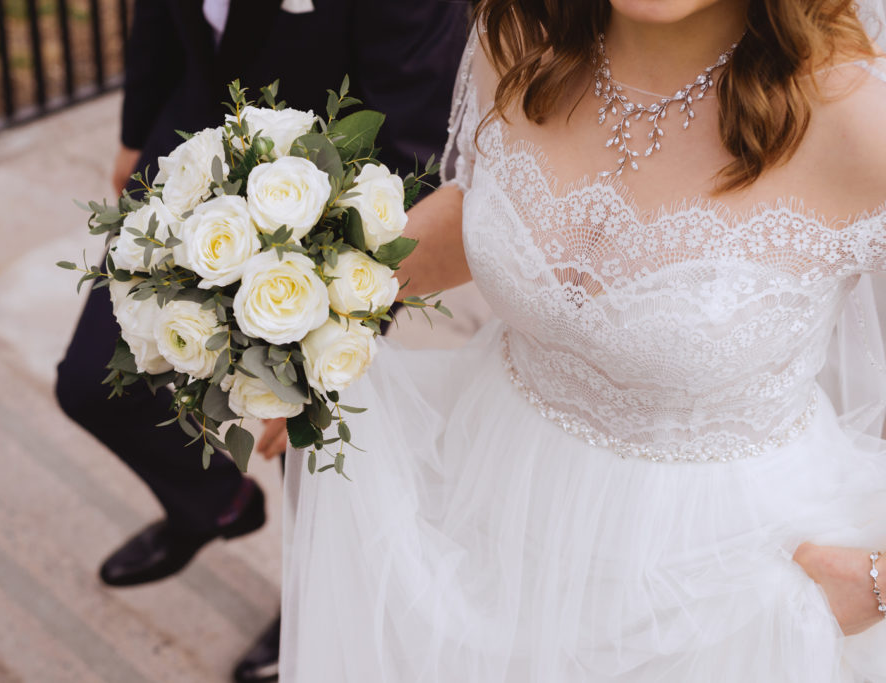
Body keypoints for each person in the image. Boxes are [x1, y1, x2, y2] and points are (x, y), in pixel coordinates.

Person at [281, 0, 886, 680]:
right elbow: (488, 208)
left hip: (723, 587)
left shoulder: (862, 123)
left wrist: (877, 581)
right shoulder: (516, 41)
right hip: (486, 509)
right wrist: (306, 317)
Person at [54, 0, 469, 679]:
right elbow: (159, 17)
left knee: (308, 459)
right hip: (188, 143)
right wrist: (136, 133)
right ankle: (215, 502)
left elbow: (413, 141)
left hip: (330, 202)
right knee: (91, 382)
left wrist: (337, 329)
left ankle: (308, 607)